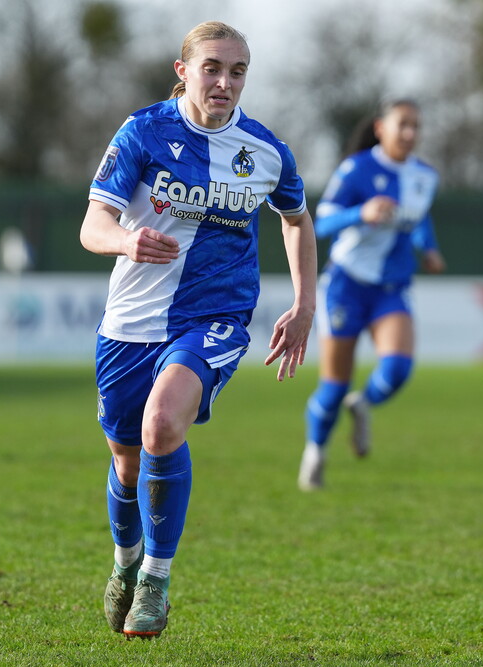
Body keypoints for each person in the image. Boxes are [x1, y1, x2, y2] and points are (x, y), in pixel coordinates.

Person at [80, 21, 317, 639]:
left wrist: (305, 305)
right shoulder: (143, 132)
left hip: (214, 317)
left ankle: (156, 580)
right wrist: (127, 240)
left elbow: (296, 219)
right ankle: (125, 563)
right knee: (126, 462)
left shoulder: (265, 150)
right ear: (183, 70)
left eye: (237, 71)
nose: (225, 82)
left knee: (163, 425)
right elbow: (93, 226)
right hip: (130, 323)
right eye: (212, 67)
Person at [298, 98, 446, 491]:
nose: (411, 133)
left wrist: (427, 247)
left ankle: (363, 406)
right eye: (404, 125)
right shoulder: (356, 169)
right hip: (347, 285)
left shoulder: (425, 176)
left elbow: (418, 217)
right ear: (381, 127)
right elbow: (321, 222)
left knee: (398, 369)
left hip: (391, 287)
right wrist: (360, 213)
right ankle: (315, 451)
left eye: (417, 125)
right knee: (333, 387)